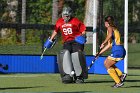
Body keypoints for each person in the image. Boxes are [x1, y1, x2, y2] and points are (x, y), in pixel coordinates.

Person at [44, 6, 87, 83]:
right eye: (64, 15)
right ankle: (67, 75)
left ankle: (79, 77)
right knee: (65, 57)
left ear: (70, 15)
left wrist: (83, 36)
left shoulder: (75, 21)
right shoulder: (59, 22)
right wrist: (51, 39)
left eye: (67, 16)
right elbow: (56, 31)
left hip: (76, 41)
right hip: (67, 42)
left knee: (76, 57)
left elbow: (83, 30)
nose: (65, 17)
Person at [98, 16, 127, 88]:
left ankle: (118, 82)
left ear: (106, 23)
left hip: (117, 50)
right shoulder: (114, 28)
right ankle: (121, 75)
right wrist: (100, 53)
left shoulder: (110, 28)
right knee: (106, 63)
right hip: (120, 49)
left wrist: (103, 43)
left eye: (105, 22)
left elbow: (109, 35)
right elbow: (109, 45)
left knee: (107, 64)